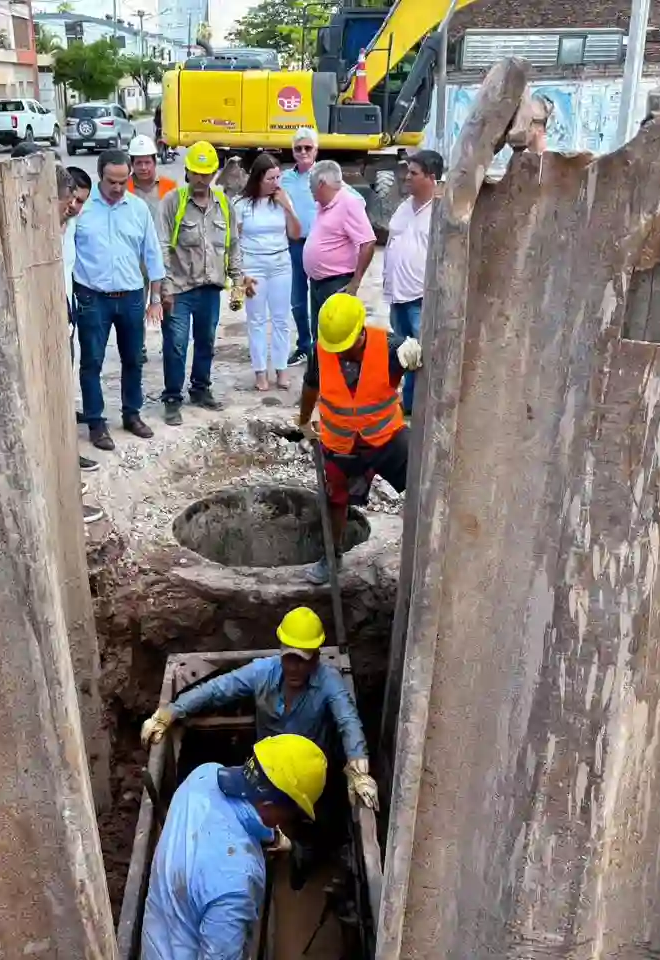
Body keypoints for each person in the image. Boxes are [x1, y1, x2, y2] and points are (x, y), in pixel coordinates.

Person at [140, 606, 377, 811]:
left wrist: (359, 767)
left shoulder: (328, 681)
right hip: (267, 769)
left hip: (309, 777)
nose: (294, 668)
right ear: (281, 651)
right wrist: (169, 713)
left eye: (302, 660)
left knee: (313, 822)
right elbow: (217, 689)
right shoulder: (263, 672)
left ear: (315, 657)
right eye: (289, 658)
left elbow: (348, 720)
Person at [140, 735, 327, 960]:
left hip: (158, 934)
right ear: (269, 806)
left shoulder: (203, 774)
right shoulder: (235, 885)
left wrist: (272, 837)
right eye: (293, 814)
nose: (289, 821)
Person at [297, 294, 421, 585]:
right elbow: (310, 387)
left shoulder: (390, 348)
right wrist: (304, 422)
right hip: (341, 444)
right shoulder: (322, 350)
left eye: (345, 347)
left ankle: (421, 550)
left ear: (361, 332)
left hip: (387, 439)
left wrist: (416, 354)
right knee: (334, 501)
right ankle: (331, 556)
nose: (338, 353)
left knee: (422, 482)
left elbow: (425, 364)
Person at [72, 148, 165, 450]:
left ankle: (131, 413)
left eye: (123, 181)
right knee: (92, 362)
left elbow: (152, 254)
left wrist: (156, 298)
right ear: (101, 176)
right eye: (112, 181)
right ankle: (96, 422)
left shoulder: (138, 209)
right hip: (92, 297)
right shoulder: (82, 209)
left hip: (131, 297)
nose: (117, 188)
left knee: (133, 359)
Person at [157, 140, 241, 425]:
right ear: (188, 171)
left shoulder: (224, 205)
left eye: (207, 173)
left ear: (214, 173)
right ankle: (171, 398)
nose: (202, 179)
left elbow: (233, 246)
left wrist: (238, 284)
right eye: (197, 172)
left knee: (205, 341)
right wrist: (164, 287)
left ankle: (201, 389)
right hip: (179, 290)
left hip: (210, 289)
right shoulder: (173, 202)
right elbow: (162, 246)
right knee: (176, 345)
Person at [235, 154, 301, 392]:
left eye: (278, 177)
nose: (276, 182)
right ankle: (260, 372)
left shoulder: (282, 199)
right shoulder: (241, 204)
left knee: (282, 319)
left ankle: (282, 370)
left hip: (281, 264)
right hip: (252, 266)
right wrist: (239, 274)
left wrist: (287, 208)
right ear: (259, 178)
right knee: (256, 320)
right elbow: (234, 241)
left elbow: (295, 233)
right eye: (271, 178)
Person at [382, 150, 442, 416]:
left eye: (414, 173)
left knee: (423, 356)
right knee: (401, 355)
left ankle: (420, 408)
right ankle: (406, 404)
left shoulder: (441, 211)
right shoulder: (405, 206)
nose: (407, 177)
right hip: (398, 296)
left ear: (431, 177)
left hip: (420, 297)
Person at [54, 163, 101, 485]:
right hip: (47, 318)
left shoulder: (68, 226)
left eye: (80, 201)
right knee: (55, 389)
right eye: (71, 200)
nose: (75, 207)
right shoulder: (42, 230)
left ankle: (66, 446)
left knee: (65, 384)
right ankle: (64, 457)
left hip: (65, 312)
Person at [303, 160, 375, 330]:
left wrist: (355, 282)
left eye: (311, 185)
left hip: (336, 283)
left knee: (335, 333)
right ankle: (318, 358)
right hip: (317, 283)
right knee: (319, 333)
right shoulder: (323, 204)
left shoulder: (349, 203)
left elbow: (368, 242)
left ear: (321, 184)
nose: (310, 190)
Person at [280, 127, 320, 368]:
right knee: (296, 298)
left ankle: (318, 347)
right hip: (294, 245)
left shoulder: (324, 175)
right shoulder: (285, 179)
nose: (303, 152)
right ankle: (304, 345)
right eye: (298, 148)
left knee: (318, 297)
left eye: (308, 147)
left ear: (316, 150)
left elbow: (355, 200)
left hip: (319, 245)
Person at [127, 134, 177, 220]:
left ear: (154, 163)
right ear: (132, 164)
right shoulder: (123, 187)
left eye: (147, 162)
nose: (143, 167)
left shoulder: (170, 186)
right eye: (139, 163)